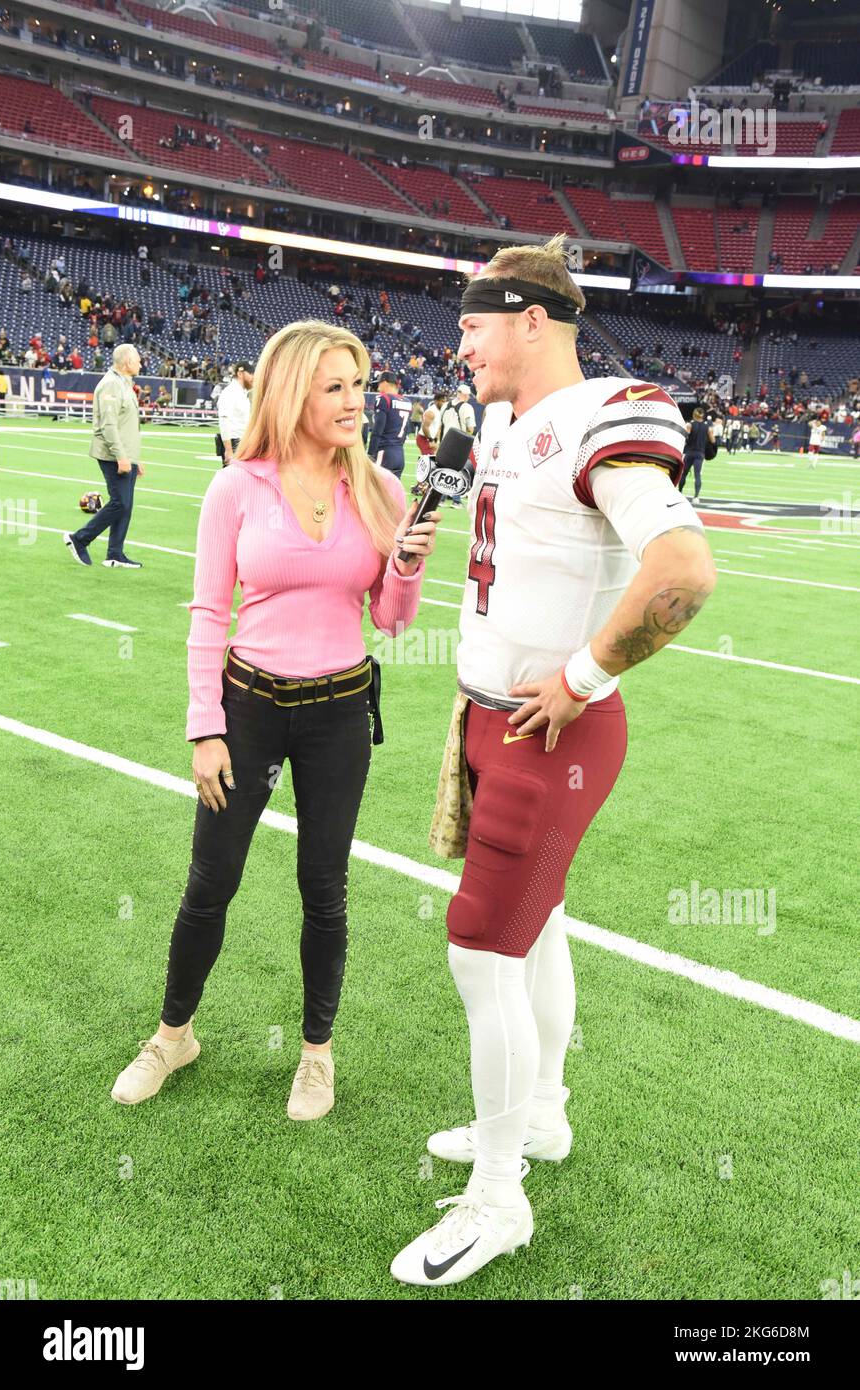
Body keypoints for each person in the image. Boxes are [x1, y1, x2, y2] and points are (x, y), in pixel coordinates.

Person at [390, 234, 716, 1287]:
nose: (461, 343)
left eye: (476, 322)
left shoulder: (601, 411)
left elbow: (682, 569)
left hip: (553, 730)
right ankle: (541, 1120)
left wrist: (579, 674)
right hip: (495, 715)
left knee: (479, 947)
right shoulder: (507, 419)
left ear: (534, 318)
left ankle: (499, 1198)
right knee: (536, 932)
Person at [109, 321, 442, 1121]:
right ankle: (172, 1035)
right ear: (293, 393)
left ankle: (316, 1056)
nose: (356, 402)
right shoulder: (236, 487)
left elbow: (393, 621)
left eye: (359, 386)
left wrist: (406, 561)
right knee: (210, 883)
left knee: (324, 889)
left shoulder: (380, 489)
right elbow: (205, 611)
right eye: (336, 387)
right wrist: (204, 727)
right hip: (247, 709)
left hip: (337, 713)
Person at [64, 344, 144, 569]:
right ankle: (79, 538)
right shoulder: (111, 384)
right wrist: (121, 456)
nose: (140, 363)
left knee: (125, 505)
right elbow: (109, 426)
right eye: (137, 360)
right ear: (127, 362)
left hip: (126, 455)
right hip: (113, 455)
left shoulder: (124, 384)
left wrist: (135, 458)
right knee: (120, 503)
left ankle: (115, 554)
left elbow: (126, 425)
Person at [367, 371, 411, 481]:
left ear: (385, 383)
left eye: (379, 384)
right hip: (399, 454)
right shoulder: (407, 401)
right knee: (392, 496)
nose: (377, 388)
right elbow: (405, 432)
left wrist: (370, 454)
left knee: (373, 493)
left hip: (384, 453)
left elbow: (377, 430)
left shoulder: (383, 398)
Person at [216, 361, 254, 465]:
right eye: (250, 373)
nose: (253, 377)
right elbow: (224, 420)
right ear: (240, 373)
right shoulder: (230, 392)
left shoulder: (242, 393)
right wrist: (228, 450)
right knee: (233, 479)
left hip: (242, 443)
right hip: (234, 444)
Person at [679, 407, 713, 503]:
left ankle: (680, 493)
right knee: (697, 475)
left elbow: (685, 436)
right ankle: (696, 497)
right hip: (700, 453)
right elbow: (713, 440)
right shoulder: (708, 427)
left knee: (684, 474)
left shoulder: (690, 425)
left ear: (694, 414)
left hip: (689, 452)